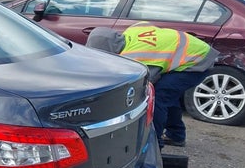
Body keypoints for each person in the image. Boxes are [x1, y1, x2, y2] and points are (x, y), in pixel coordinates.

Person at [87, 24, 219, 149]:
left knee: (159, 98)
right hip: (197, 50)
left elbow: (148, 82)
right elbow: (147, 25)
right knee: (169, 95)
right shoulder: (132, 30)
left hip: (197, 61)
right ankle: (176, 135)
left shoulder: (136, 58)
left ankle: (155, 144)